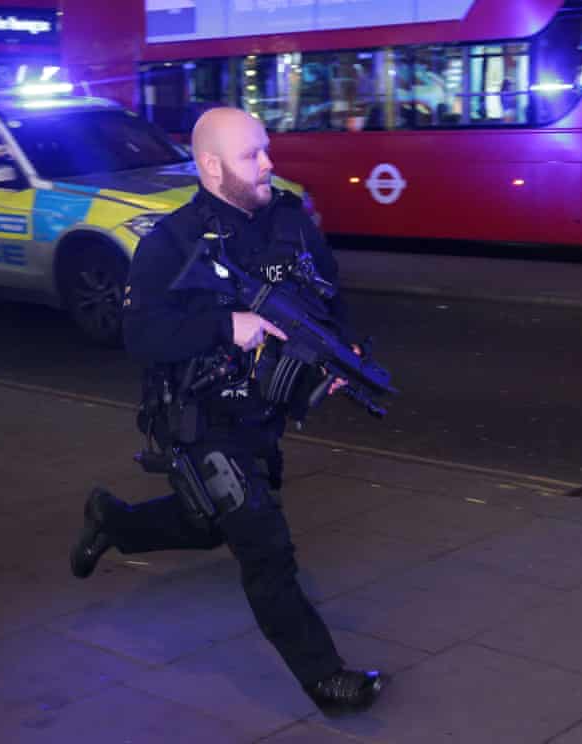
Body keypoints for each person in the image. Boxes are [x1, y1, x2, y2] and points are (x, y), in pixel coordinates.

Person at [69, 107, 384, 714]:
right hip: (200, 416)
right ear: (211, 166)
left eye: (266, 150)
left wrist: (343, 352)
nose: (268, 164)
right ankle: (327, 680)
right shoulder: (170, 242)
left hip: (260, 412)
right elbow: (141, 335)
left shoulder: (289, 222)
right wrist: (223, 325)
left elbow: (329, 297)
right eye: (251, 156)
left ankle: (113, 522)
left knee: (207, 524)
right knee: (264, 545)